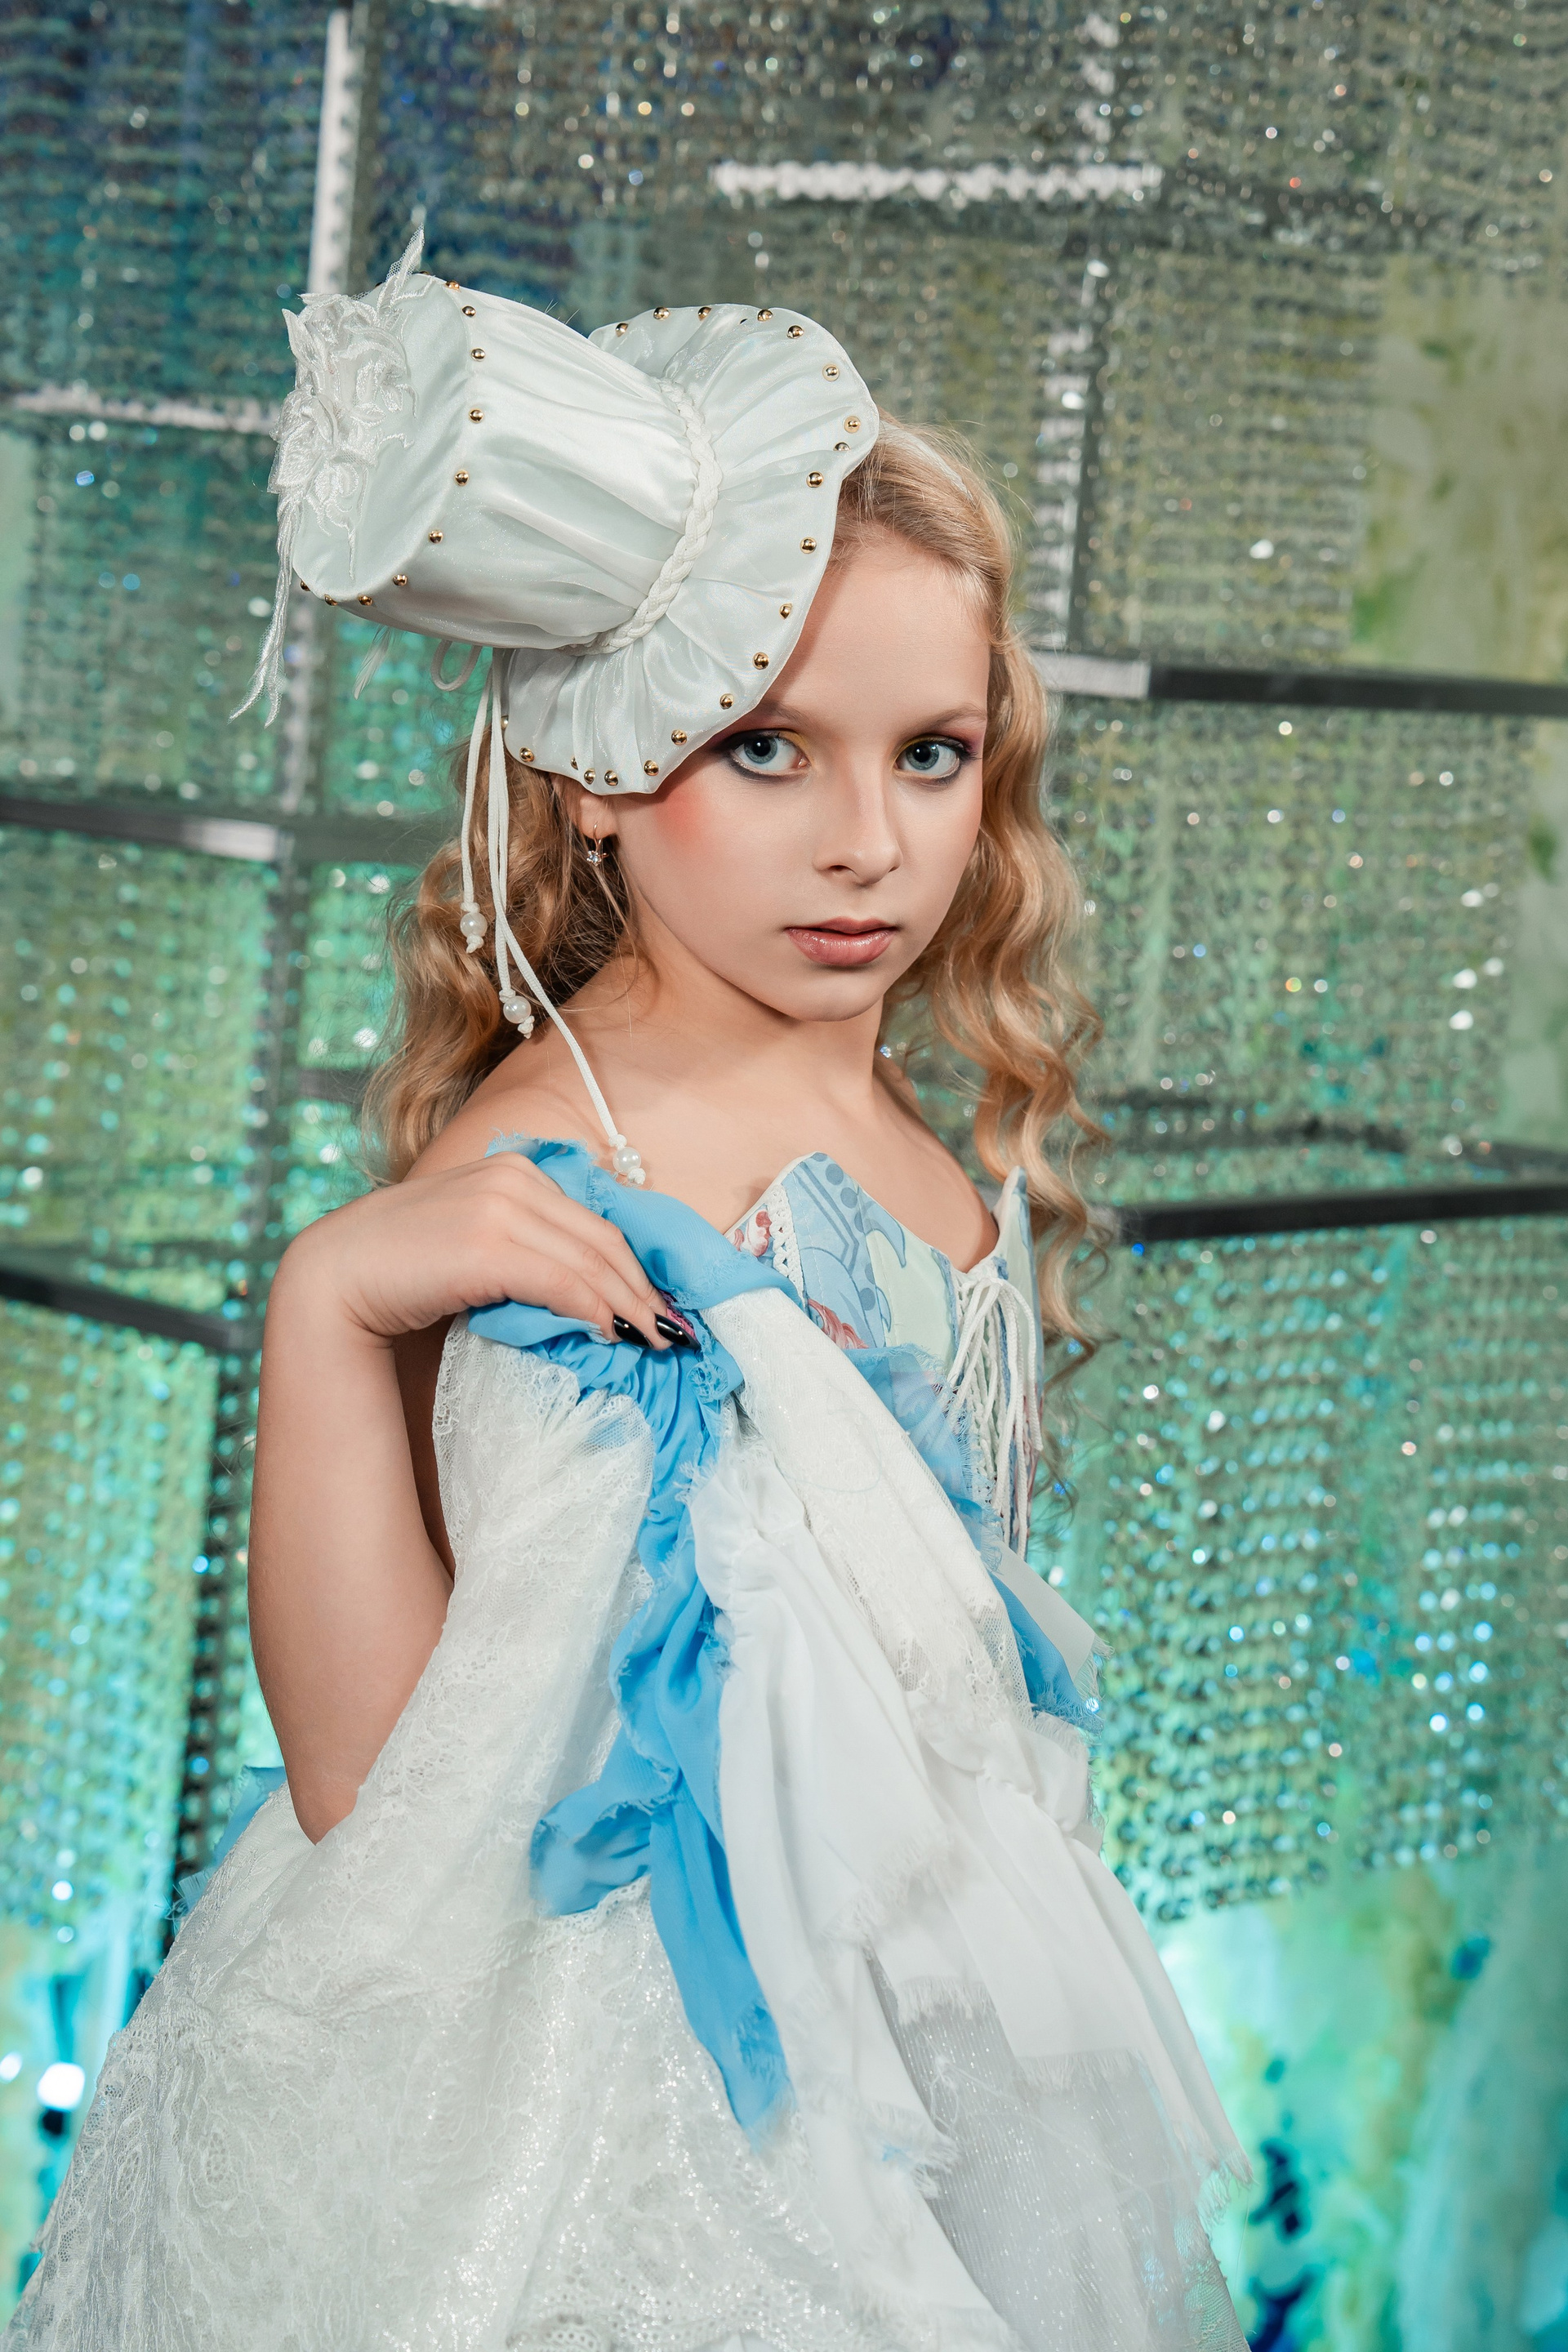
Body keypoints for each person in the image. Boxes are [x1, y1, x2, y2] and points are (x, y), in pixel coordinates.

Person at [8, 234, 1248, 2352]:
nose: (867, 842)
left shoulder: (921, 1131)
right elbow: (374, 1785)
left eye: (930, 754)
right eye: (767, 750)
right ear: (597, 761)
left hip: (915, 2046)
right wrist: (333, 1298)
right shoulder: (555, 1162)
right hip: (582, 2113)